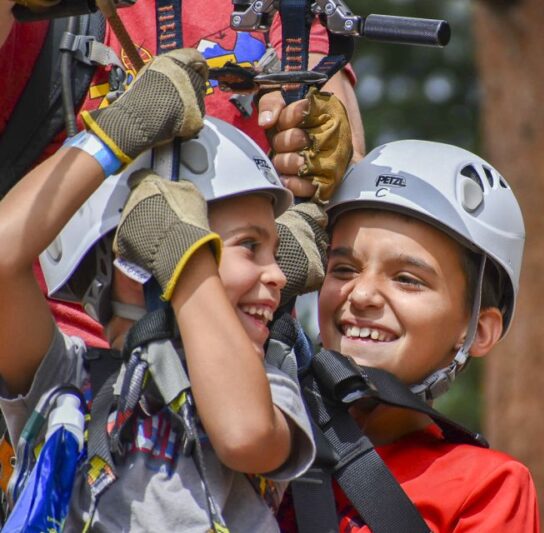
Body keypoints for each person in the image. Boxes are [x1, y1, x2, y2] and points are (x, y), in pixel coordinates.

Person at [0, 48, 315, 531]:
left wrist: (185, 262)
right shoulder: (68, 380)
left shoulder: (268, 382)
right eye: (250, 247)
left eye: (276, 253)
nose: (277, 275)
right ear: (133, 258)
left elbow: (244, 434)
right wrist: (114, 138)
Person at [0, 0, 365, 346]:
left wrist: (310, 142)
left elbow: (341, 172)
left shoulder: (289, 12)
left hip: (242, 348)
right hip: (57, 355)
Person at [280, 140, 540, 532]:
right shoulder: (269, 439)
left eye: (407, 279)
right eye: (344, 270)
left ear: (477, 331)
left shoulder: (486, 487)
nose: (362, 295)